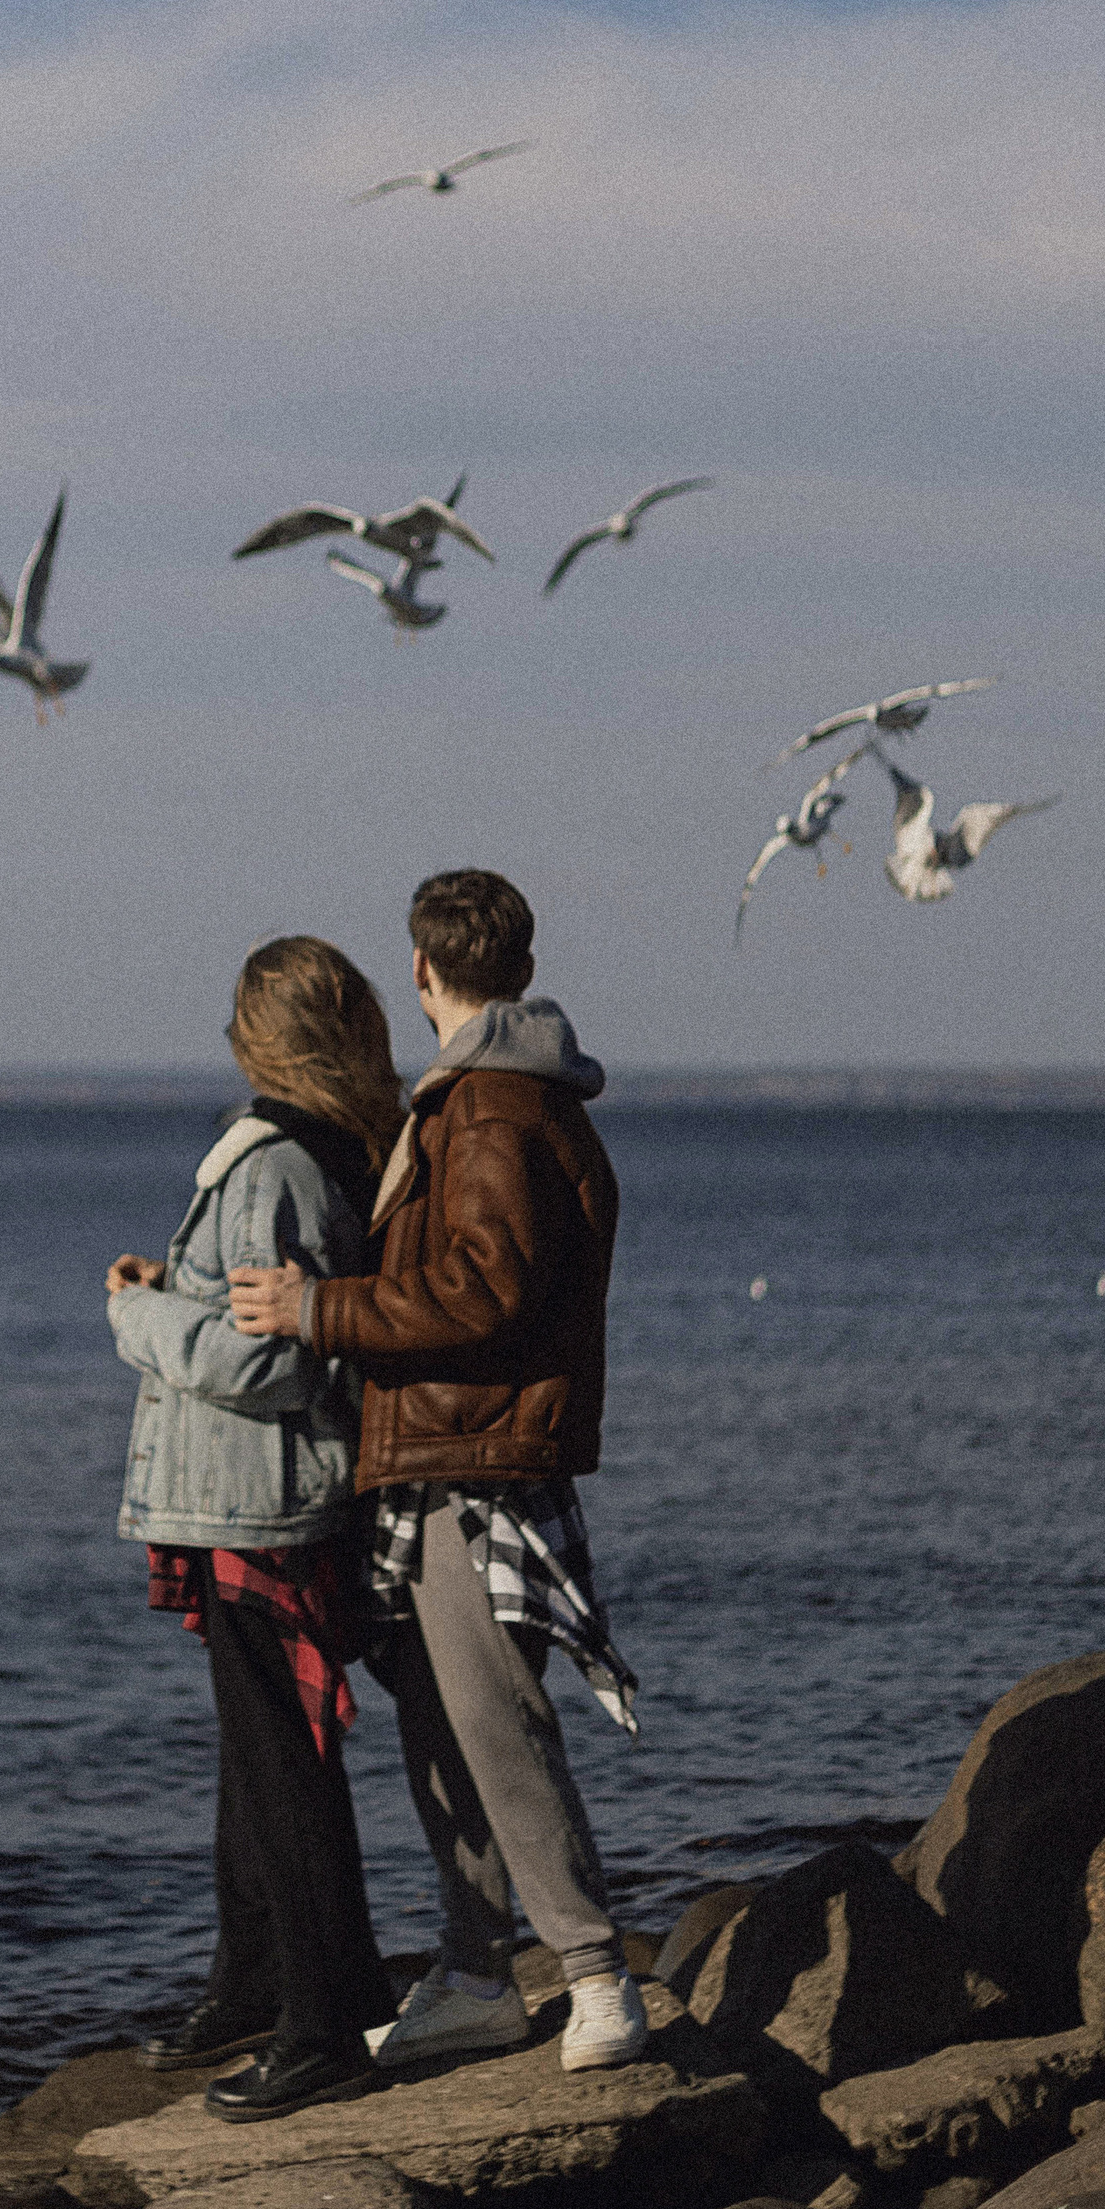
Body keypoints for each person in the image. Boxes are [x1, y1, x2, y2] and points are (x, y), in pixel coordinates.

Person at [230, 867, 647, 2077]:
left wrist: (315, 1305)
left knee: (491, 1723)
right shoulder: (495, 1097)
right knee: (440, 1727)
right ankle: (474, 1972)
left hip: (475, 1462)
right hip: (450, 1454)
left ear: (420, 972)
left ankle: (593, 1974)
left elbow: (483, 1287)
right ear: (513, 962)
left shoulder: (493, 1107)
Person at [107, 935, 406, 2121]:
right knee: (256, 1751)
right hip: (253, 1494)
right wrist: (174, 1289)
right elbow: (254, 1308)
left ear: (259, 1034)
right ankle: (253, 1977)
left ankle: (324, 2018)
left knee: (284, 1758)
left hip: (255, 1497)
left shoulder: (272, 1161)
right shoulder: (338, 1146)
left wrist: (137, 1316)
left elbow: (269, 1360)